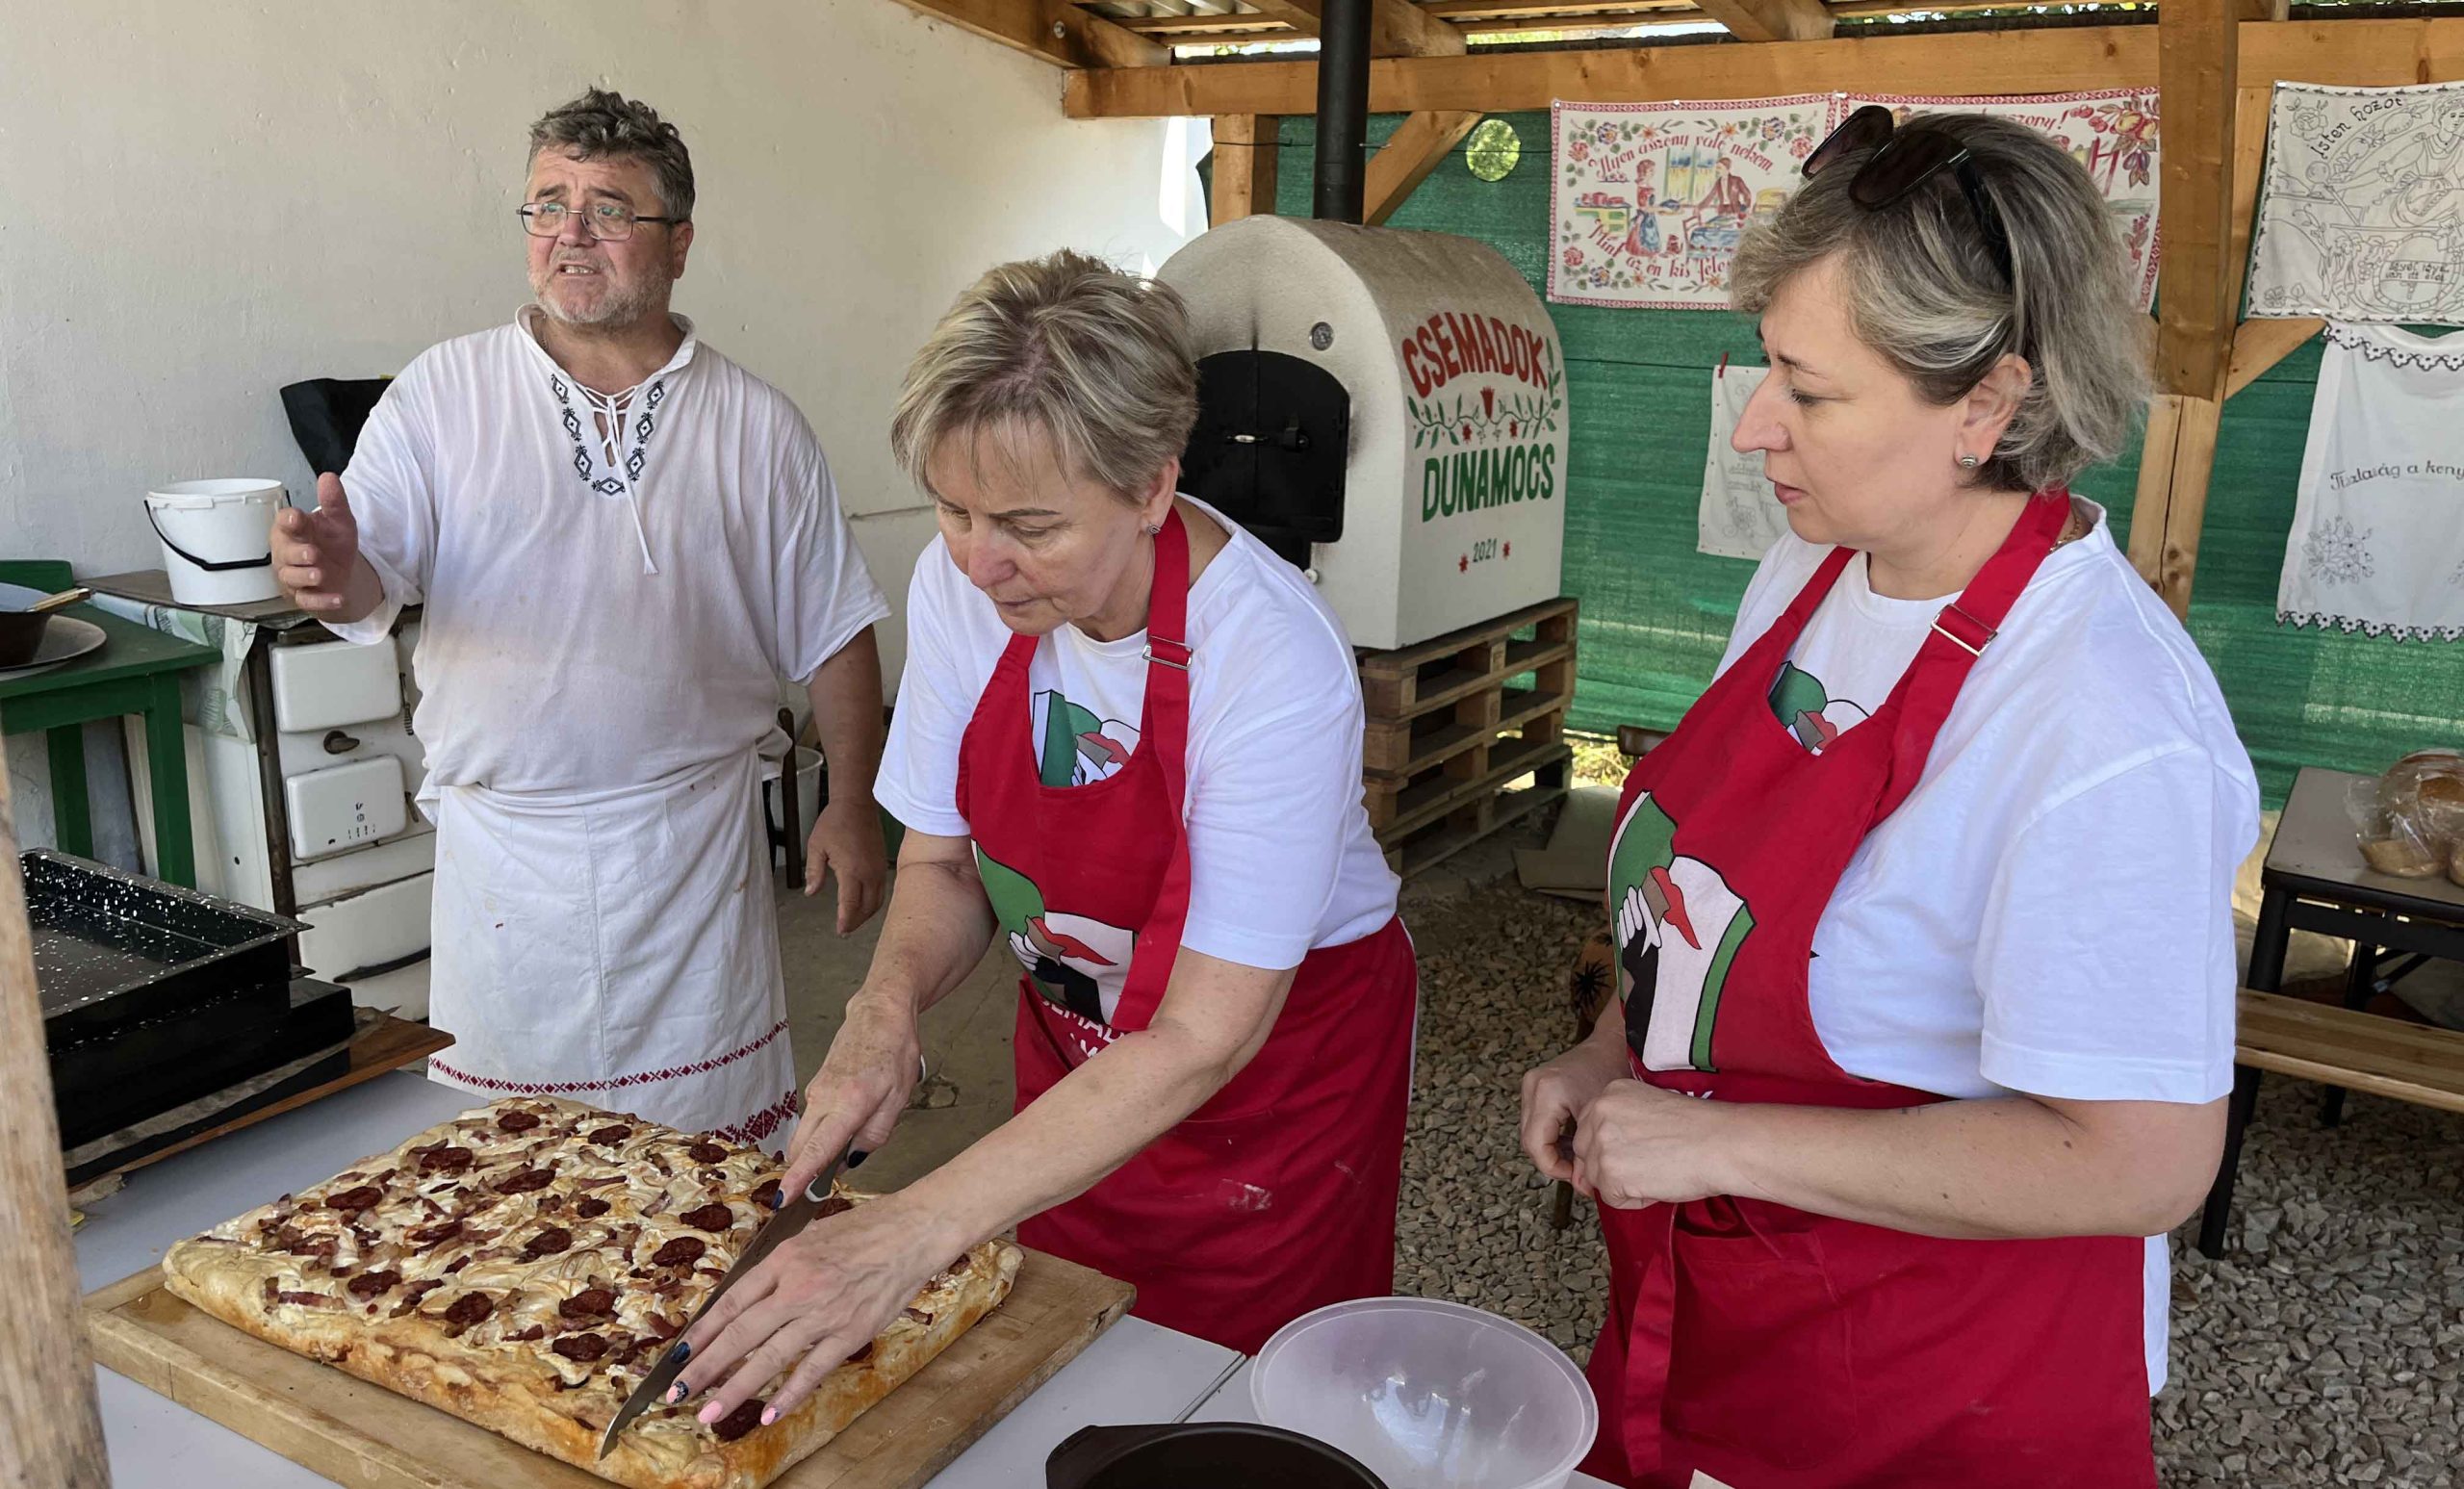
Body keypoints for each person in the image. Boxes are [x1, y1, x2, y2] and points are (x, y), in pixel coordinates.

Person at [1520, 109, 2259, 1488]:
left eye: (1809, 390)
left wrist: (1716, 1138)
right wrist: (1616, 1046)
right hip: (1725, 1319)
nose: (1755, 425)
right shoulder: (1809, 572)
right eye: (1768, 367)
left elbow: (2141, 1162)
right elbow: (1707, 895)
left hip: (1937, 1389)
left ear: (1987, 404)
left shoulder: (2105, 721)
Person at [659, 250, 1418, 1428]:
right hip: (1077, 1050)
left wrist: (912, 1227)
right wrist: (884, 1010)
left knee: (1238, 1413)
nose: (979, 561)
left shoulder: (1269, 655)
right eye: (954, 510)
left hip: (1273, 1086)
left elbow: (1203, 1035)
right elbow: (943, 861)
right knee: (1065, 1357)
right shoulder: (964, 587)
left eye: (1028, 524)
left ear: (1152, 487)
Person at [270, 90, 891, 1146]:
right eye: (548, 204)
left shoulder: (757, 424)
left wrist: (852, 803)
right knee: (510, 1177)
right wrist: (336, 575)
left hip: (692, 855)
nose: (570, 232)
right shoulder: (442, 393)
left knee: (706, 1170)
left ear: (679, 242)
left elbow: (834, 626)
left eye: (609, 208)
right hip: (505, 861)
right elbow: (375, 577)